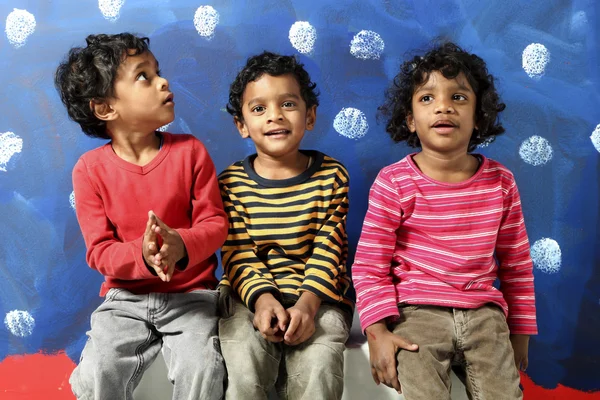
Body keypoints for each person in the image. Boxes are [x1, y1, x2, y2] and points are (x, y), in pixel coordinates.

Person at [352, 42, 538, 400]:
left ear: (479, 116)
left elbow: (516, 264)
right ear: (409, 118)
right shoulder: (394, 182)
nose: (443, 106)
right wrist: (377, 333)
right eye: (426, 98)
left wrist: (520, 334)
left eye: (459, 97)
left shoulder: (501, 182)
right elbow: (369, 267)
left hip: (484, 314)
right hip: (417, 311)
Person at [55, 32, 228, 400]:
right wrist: (143, 254)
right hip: (125, 301)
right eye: (143, 76)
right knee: (97, 372)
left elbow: (215, 226)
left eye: (157, 71)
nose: (163, 81)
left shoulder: (191, 152)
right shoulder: (89, 170)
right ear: (105, 109)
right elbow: (99, 251)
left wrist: (180, 245)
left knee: (205, 368)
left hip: (192, 296)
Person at [217, 51, 354, 400]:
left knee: (320, 368)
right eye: (259, 108)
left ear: (309, 116)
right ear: (242, 125)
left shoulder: (331, 176)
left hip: (318, 297)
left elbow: (330, 249)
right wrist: (263, 301)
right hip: (247, 297)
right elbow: (237, 253)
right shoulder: (231, 183)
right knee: (244, 369)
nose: (275, 116)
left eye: (288, 104)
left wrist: (307, 306)